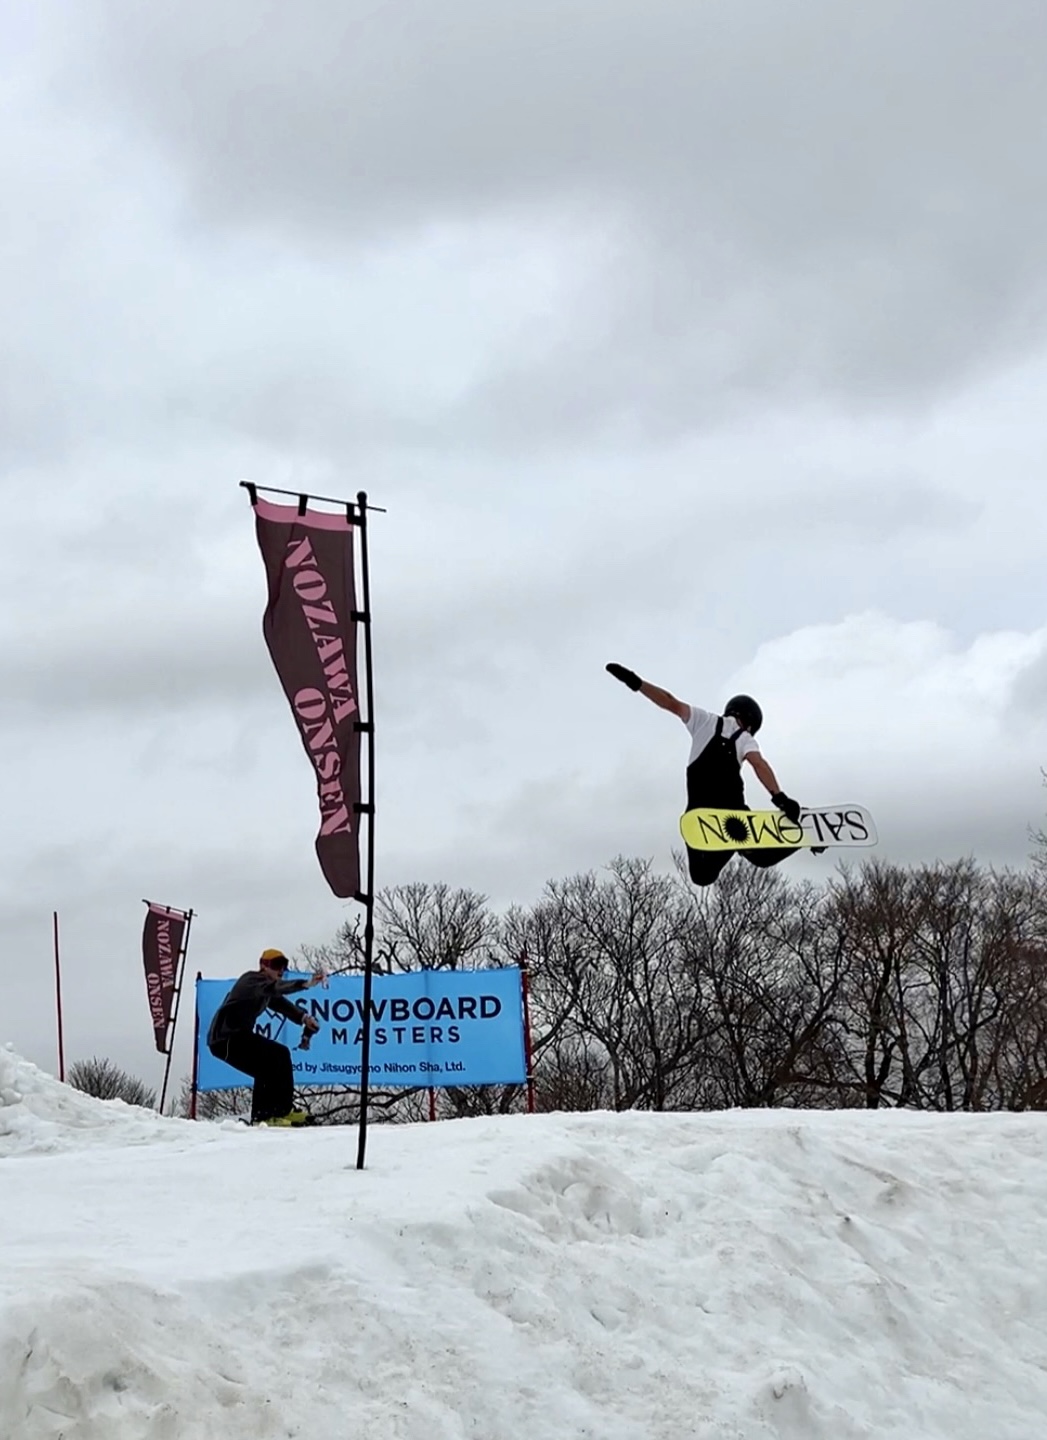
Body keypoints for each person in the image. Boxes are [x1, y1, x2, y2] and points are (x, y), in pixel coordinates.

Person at [606, 662, 815, 886]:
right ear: (751, 722)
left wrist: (635, 682)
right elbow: (759, 764)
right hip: (733, 812)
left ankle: (736, 842)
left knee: (702, 876)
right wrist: (779, 797)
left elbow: (670, 702)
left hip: (699, 811)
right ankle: (800, 833)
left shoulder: (703, 720)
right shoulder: (746, 738)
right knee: (761, 858)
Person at [207, 948, 325, 1125]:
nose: (281, 970)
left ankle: (282, 1110)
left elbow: (281, 1004)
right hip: (224, 1038)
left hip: (237, 1037)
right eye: (276, 965)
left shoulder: (266, 991)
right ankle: (263, 1116)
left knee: (280, 1054)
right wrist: (305, 984)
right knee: (267, 1063)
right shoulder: (251, 980)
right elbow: (276, 988)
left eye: (284, 966)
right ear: (263, 965)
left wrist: (304, 1018)